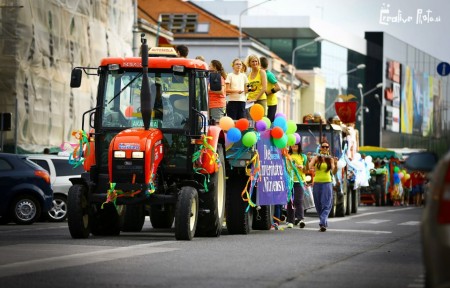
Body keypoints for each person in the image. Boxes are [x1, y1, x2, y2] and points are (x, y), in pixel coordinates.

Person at [308, 141, 337, 232]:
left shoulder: (330, 159)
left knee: (327, 203)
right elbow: (309, 167)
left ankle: (323, 221)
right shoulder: (317, 157)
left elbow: (334, 171)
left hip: (327, 183)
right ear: (320, 148)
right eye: (323, 147)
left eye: (326, 147)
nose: (325, 148)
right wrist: (309, 159)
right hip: (317, 183)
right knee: (318, 204)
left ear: (328, 148)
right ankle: (323, 222)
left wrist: (335, 164)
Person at [286, 143, 308, 228]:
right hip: (290, 181)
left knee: (299, 201)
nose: (294, 146)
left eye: (296, 145)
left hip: (300, 181)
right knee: (290, 201)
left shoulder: (303, 157)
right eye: (292, 145)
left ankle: (300, 219)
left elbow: (307, 170)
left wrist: (302, 167)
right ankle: (290, 220)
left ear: (299, 146)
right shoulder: (287, 155)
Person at [260, 56, 281, 122]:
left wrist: (267, 93)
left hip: (271, 103)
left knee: (269, 123)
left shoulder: (269, 75)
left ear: (259, 65)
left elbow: (278, 87)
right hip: (262, 102)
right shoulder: (259, 74)